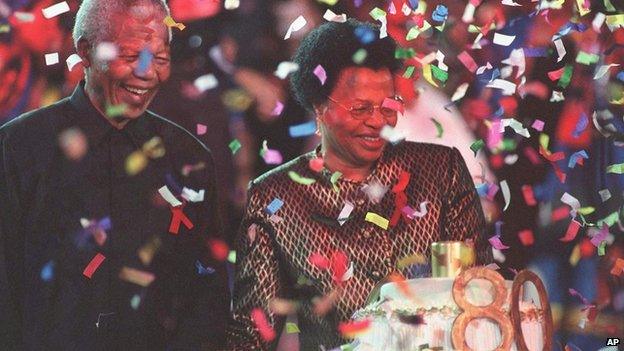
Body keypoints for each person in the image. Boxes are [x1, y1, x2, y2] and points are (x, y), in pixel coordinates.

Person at [226, 19, 492, 350]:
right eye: (360, 108)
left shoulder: (441, 171)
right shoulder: (277, 197)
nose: (378, 121)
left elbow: (483, 297)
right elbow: (252, 334)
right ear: (320, 108)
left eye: (388, 106)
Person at [0, 0, 229, 349]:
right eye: (129, 56)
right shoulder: (19, 148)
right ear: (86, 53)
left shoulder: (190, 159)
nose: (147, 72)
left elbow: (206, 295)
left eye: (161, 59)